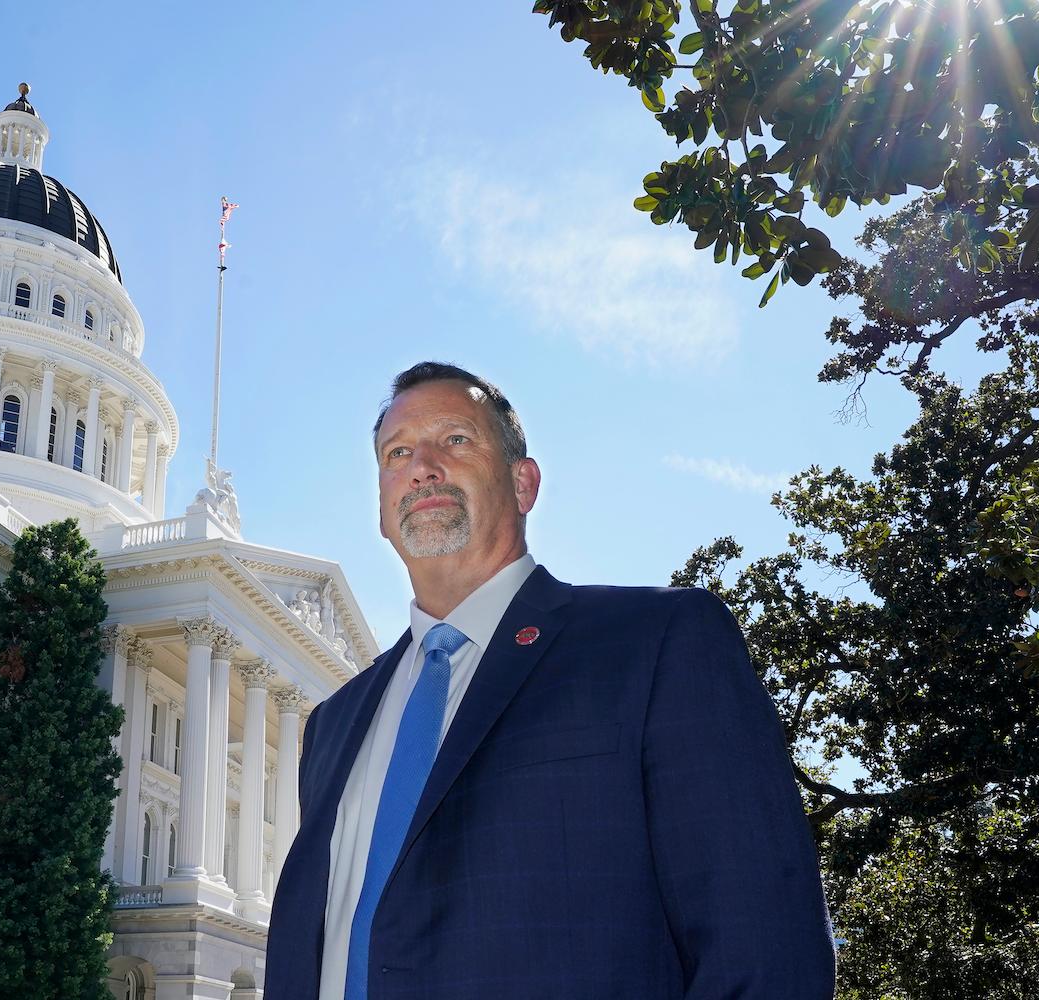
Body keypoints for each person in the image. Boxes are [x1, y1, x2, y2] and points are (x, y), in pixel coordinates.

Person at [265, 362, 835, 999]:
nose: (422, 465)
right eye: (398, 453)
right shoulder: (333, 723)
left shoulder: (657, 642)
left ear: (522, 482)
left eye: (455, 440)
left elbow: (760, 946)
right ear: (381, 503)